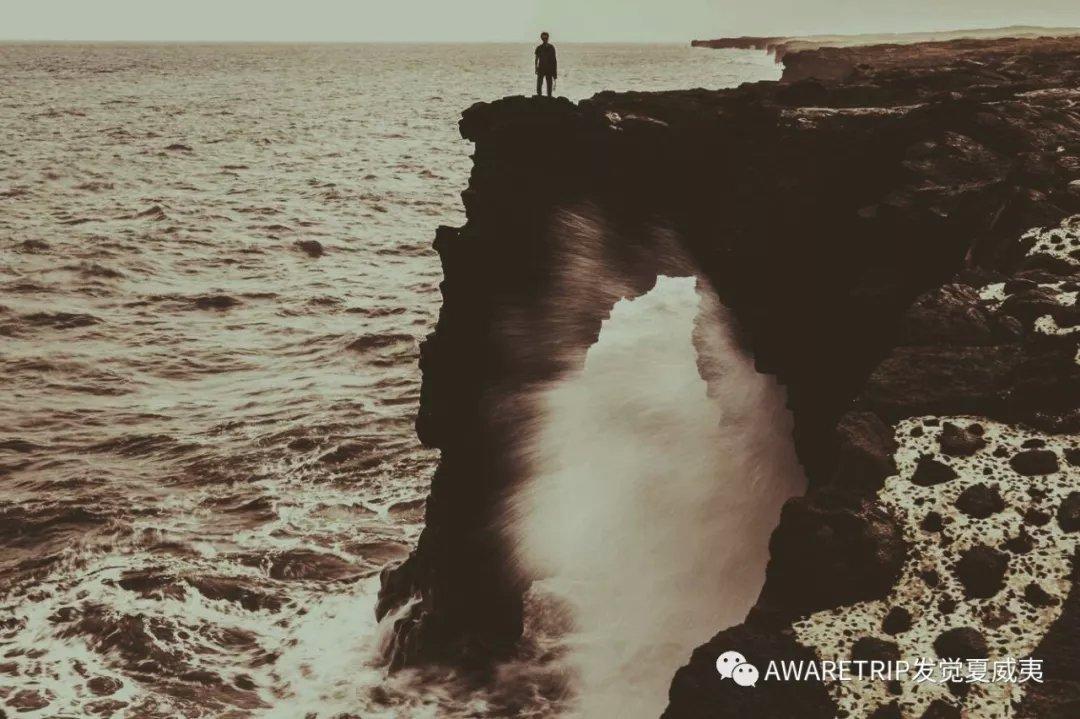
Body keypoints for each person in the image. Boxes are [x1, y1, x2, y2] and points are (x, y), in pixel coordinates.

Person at [535, 32, 557, 97]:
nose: (544, 39)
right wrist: (536, 68)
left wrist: (555, 73)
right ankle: (539, 97)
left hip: (549, 69)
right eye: (543, 38)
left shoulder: (551, 47)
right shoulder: (539, 48)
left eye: (546, 38)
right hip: (541, 68)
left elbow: (554, 60)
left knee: (549, 85)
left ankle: (549, 98)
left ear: (548, 38)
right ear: (541, 38)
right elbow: (536, 59)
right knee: (539, 84)